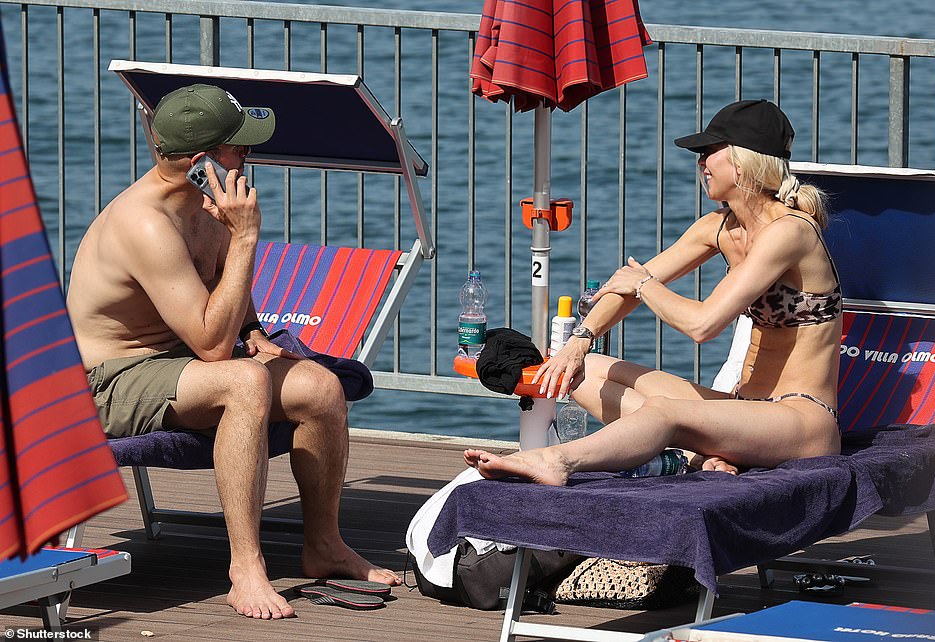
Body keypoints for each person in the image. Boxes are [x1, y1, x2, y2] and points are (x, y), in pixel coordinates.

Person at [67, 83, 400, 620]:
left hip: (179, 362)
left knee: (319, 385)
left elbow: (227, 300)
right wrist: (246, 239)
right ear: (201, 163)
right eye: (238, 147)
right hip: (109, 381)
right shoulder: (146, 224)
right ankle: (245, 567)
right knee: (243, 382)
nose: (249, 156)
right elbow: (211, 345)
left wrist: (256, 334)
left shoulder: (206, 205)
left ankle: (324, 546)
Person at [465, 99, 842, 485]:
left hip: (801, 419)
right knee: (581, 372)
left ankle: (557, 461)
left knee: (665, 411)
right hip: (743, 408)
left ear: (743, 161)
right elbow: (625, 284)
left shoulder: (789, 231)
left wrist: (644, 286)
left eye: (709, 153)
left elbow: (703, 324)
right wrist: (579, 342)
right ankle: (707, 453)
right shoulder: (719, 226)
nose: (700, 164)